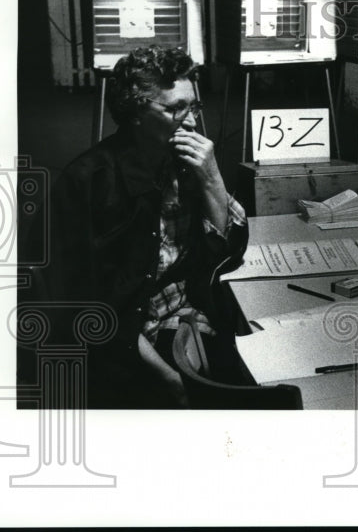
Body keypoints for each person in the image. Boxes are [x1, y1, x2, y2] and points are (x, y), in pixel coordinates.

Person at [44, 46, 248, 408]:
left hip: (185, 316)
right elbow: (87, 305)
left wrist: (212, 175)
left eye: (193, 107)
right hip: (124, 340)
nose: (191, 122)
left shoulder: (187, 162)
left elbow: (227, 255)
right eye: (174, 109)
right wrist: (165, 377)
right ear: (136, 113)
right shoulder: (88, 182)